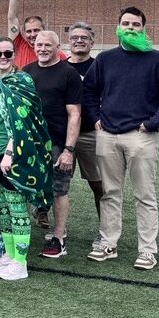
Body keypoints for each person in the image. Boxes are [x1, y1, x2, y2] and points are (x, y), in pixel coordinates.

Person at [83, 6, 159, 270]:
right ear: (118, 27)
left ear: (143, 28)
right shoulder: (105, 59)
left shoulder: (157, 59)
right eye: (126, 23)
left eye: (135, 24)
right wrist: (95, 119)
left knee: (144, 195)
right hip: (108, 135)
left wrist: (152, 124)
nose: (130, 28)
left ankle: (147, 250)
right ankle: (108, 243)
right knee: (110, 193)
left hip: (141, 137)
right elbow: (88, 92)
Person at [0, 37, 52, 280]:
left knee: (17, 208)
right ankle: (9, 254)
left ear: (14, 54)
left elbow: (23, 124)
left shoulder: (23, 81)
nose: (2, 58)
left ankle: (21, 262)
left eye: (7, 53)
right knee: (2, 208)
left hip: (12, 157)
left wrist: (9, 153)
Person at [23, 30, 83, 259]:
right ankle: (22, 233)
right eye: (39, 44)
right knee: (26, 187)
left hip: (57, 144)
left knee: (59, 190)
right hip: (30, 145)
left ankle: (58, 238)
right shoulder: (27, 72)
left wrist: (69, 150)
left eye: (48, 45)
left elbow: (74, 114)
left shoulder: (69, 74)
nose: (43, 49)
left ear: (57, 47)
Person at [65, 23, 106, 241]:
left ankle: (106, 231)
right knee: (59, 185)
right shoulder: (60, 67)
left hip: (91, 133)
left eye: (84, 37)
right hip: (64, 136)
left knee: (99, 185)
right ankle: (57, 231)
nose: (79, 40)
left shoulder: (99, 66)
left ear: (92, 42)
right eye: (75, 37)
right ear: (68, 41)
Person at [6, 0, 66, 68]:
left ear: (44, 30)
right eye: (29, 31)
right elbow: (12, 17)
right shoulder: (19, 44)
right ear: (24, 33)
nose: (32, 34)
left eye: (36, 30)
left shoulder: (57, 54)